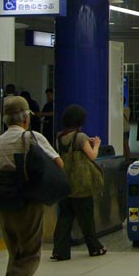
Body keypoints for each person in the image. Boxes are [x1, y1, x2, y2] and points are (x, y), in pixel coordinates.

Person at [0, 95, 64, 276]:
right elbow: (58, 163)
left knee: (15, 252)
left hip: (2, 203)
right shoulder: (31, 137)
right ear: (26, 118)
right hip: (27, 202)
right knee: (30, 254)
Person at [51, 104, 106, 261]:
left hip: (65, 183)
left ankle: (60, 251)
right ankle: (95, 248)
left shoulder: (59, 137)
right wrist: (96, 144)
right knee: (86, 218)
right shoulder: (80, 137)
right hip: (81, 184)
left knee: (65, 217)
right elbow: (92, 156)